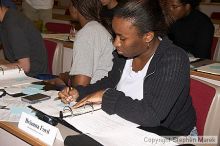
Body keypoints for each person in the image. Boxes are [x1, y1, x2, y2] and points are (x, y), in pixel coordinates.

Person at [58, 0, 196, 135]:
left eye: (122, 38)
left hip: (171, 136)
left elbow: (151, 115)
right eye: (115, 35)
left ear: (147, 36)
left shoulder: (173, 59)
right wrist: (79, 92)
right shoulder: (124, 55)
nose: (116, 43)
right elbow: (109, 82)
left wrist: (106, 97)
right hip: (131, 126)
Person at [47, 0, 114, 87]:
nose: (69, 7)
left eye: (70, 4)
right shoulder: (97, 28)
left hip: (93, 94)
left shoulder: (87, 33)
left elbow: (81, 84)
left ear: (75, 8)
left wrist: (64, 77)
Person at [0, 2, 48, 77]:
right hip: (23, 74)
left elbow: (25, 67)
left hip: (33, 77)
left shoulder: (12, 25)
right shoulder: (5, 18)